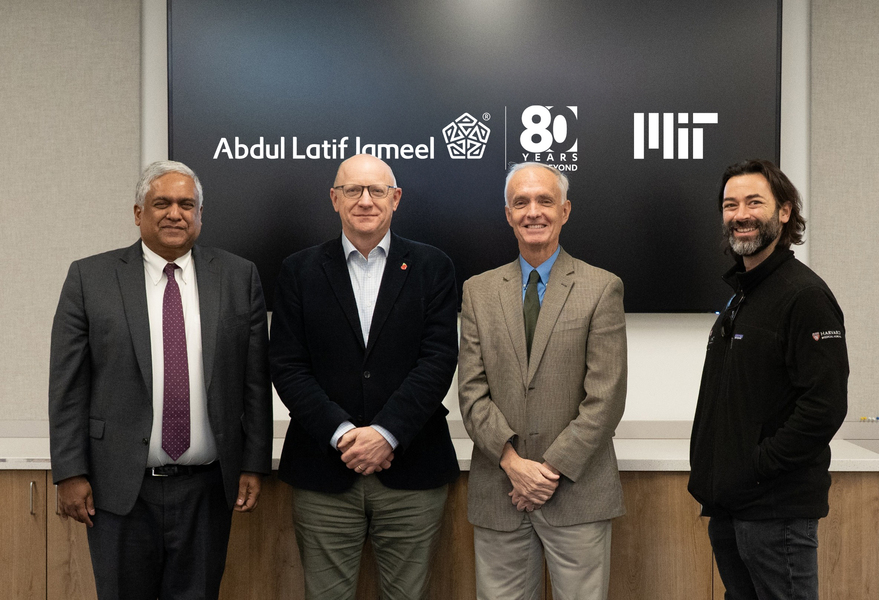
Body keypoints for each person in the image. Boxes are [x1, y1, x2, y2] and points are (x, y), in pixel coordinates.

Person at [49, 160, 273, 600]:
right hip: (118, 490)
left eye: (187, 205)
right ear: (138, 213)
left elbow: (255, 380)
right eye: (162, 203)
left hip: (207, 488)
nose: (175, 213)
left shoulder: (238, 276)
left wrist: (253, 463)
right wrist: (70, 472)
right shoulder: (90, 278)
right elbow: (67, 387)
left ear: (200, 215)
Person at [270, 153, 460, 600]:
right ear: (334, 199)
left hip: (412, 468)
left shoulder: (433, 266)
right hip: (324, 470)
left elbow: (438, 361)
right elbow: (288, 366)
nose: (365, 200)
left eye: (377, 190)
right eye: (352, 190)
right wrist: (342, 435)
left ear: (396, 198)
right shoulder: (298, 270)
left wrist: (386, 433)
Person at [458, 162, 627, 600]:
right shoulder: (478, 291)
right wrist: (514, 465)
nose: (533, 211)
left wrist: (547, 473)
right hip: (501, 491)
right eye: (521, 202)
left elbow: (606, 398)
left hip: (576, 492)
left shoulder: (601, 287)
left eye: (545, 201)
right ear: (509, 215)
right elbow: (472, 392)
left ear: (564, 211)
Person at [688, 159, 848, 600]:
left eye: (754, 202)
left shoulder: (805, 296)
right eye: (730, 205)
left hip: (775, 514)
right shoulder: (744, 296)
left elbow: (824, 407)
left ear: (784, 211)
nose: (740, 214)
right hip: (731, 508)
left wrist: (757, 466)